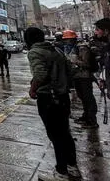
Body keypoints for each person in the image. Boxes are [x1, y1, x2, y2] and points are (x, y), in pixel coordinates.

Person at [25, 27, 81, 181]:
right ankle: (72, 166)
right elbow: (70, 70)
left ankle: (61, 172)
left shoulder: (35, 52)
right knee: (65, 133)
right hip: (62, 97)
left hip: (48, 99)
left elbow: (40, 74)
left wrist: (32, 89)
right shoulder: (57, 50)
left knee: (56, 135)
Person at [62, 30, 99, 129]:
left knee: (88, 99)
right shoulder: (71, 48)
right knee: (82, 97)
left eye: (68, 40)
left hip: (84, 77)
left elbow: (86, 64)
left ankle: (92, 121)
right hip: (77, 76)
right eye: (65, 40)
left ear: (73, 39)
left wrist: (74, 60)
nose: (66, 42)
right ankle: (86, 117)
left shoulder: (82, 48)